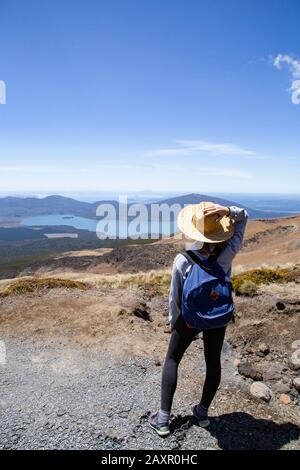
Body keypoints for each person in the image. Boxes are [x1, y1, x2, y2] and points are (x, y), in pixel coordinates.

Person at [150, 201, 248, 437]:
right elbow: (244, 217)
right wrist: (227, 212)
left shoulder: (183, 260)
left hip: (189, 319)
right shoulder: (227, 254)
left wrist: (175, 324)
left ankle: (163, 420)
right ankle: (202, 413)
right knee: (213, 362)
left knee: (173, 359)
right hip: (218, 316)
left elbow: (175, 297)